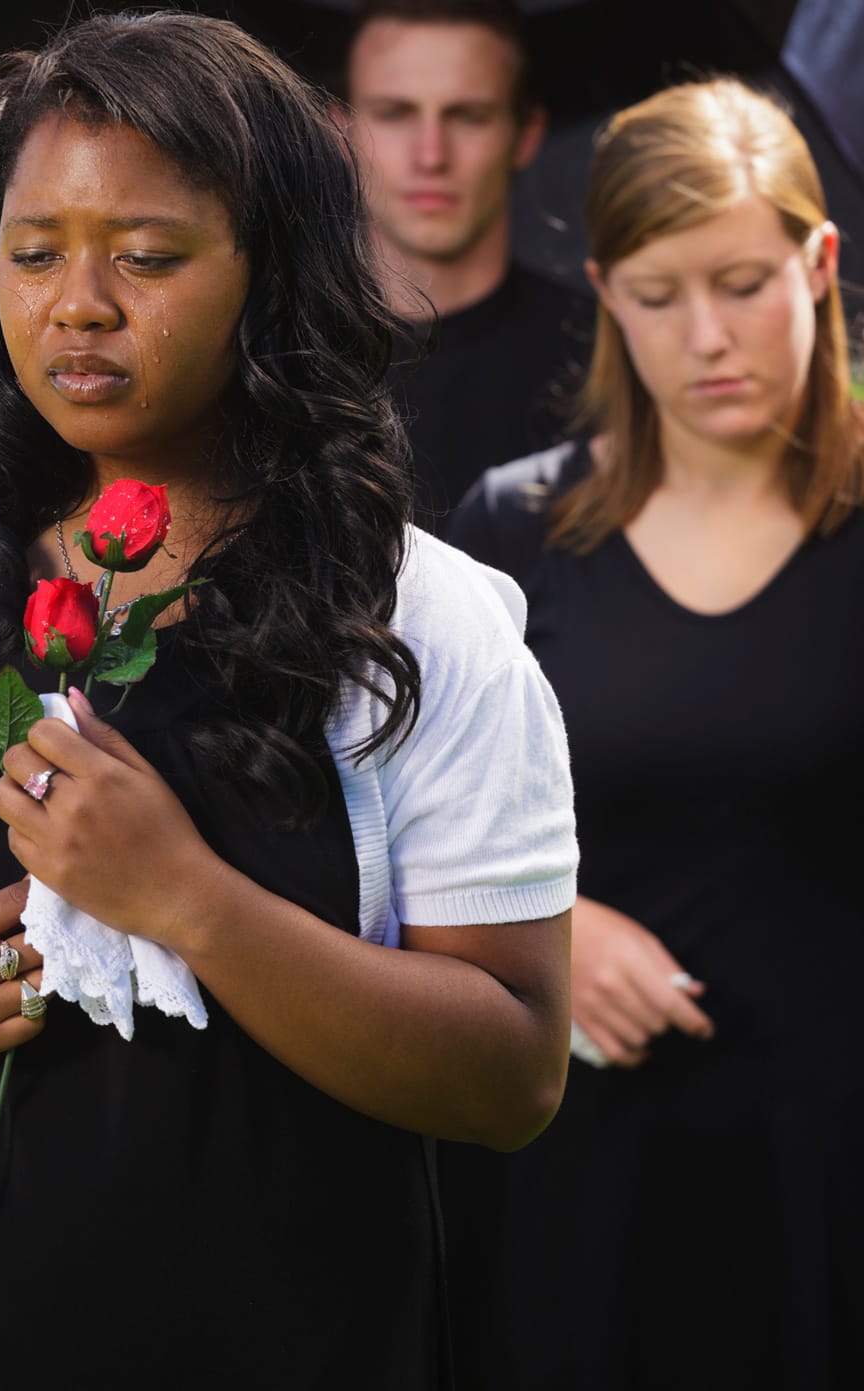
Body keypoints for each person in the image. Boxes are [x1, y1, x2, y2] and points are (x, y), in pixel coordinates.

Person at [0, 13, 578, 1387]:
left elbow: (515, 1068)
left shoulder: (415, 617)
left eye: (148, 256)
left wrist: (193, 902)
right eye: (34, 253)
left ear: (270, 271)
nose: (78, 303)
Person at [447, 78, 864, 1391]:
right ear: (605, 294)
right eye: (659, 292)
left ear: (820, 261)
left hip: (838, 1168)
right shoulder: (517, 529)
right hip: (591, 1175)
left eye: (743, 281)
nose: (708, 337)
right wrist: (553, 920)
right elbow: (397, 838)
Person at [339, 0, 592, 529]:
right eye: (395, 113)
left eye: (468, 116)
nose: (431, 155)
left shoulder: (606, 358)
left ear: (525, 136)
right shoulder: (273, 354)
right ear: (340, 131)